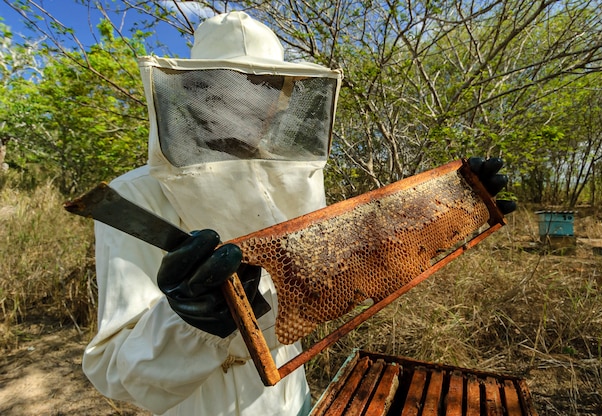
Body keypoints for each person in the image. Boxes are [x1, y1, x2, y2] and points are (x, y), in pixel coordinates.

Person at [82, 11, 514, 416]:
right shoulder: (135, 196)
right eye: (229, 88)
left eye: (263, 92)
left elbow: (344, 275)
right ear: (195, 93)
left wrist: (444, 209)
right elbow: (113, 373)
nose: (248, 106)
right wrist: (188, 322)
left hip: (293, 399)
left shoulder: (287, 186)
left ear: (281, 100)